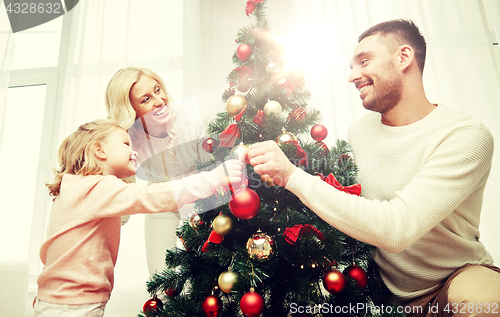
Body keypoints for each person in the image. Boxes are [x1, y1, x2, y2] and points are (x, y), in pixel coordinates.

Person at [247, 19, 500, 316]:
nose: (353, 76)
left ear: (403, 57)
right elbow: (350, 205)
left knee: (484, 302)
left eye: (364, 61)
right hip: (384, 299)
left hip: (454, 279)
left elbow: (397, 228)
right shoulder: (359, 133)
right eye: (352, 66)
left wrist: (291, 176)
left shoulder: (465, 135)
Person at [34, 119, 243, 317]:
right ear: (99, 150)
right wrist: (213, 178)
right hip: (72, 306)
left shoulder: (74, 188)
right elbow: (152, 197)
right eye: (125, 143)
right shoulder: (96, 187)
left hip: (55, 300)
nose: (133, 151)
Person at [105, 67, 213, 275]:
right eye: (145, 99)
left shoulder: (191, 117)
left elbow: (212, 165)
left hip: (201, 194)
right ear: (130, 110)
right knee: (161, 278)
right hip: (161, 197)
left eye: (157, 90)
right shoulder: (126, 138)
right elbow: (124, 194)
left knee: (210, 276)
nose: (159, 100)